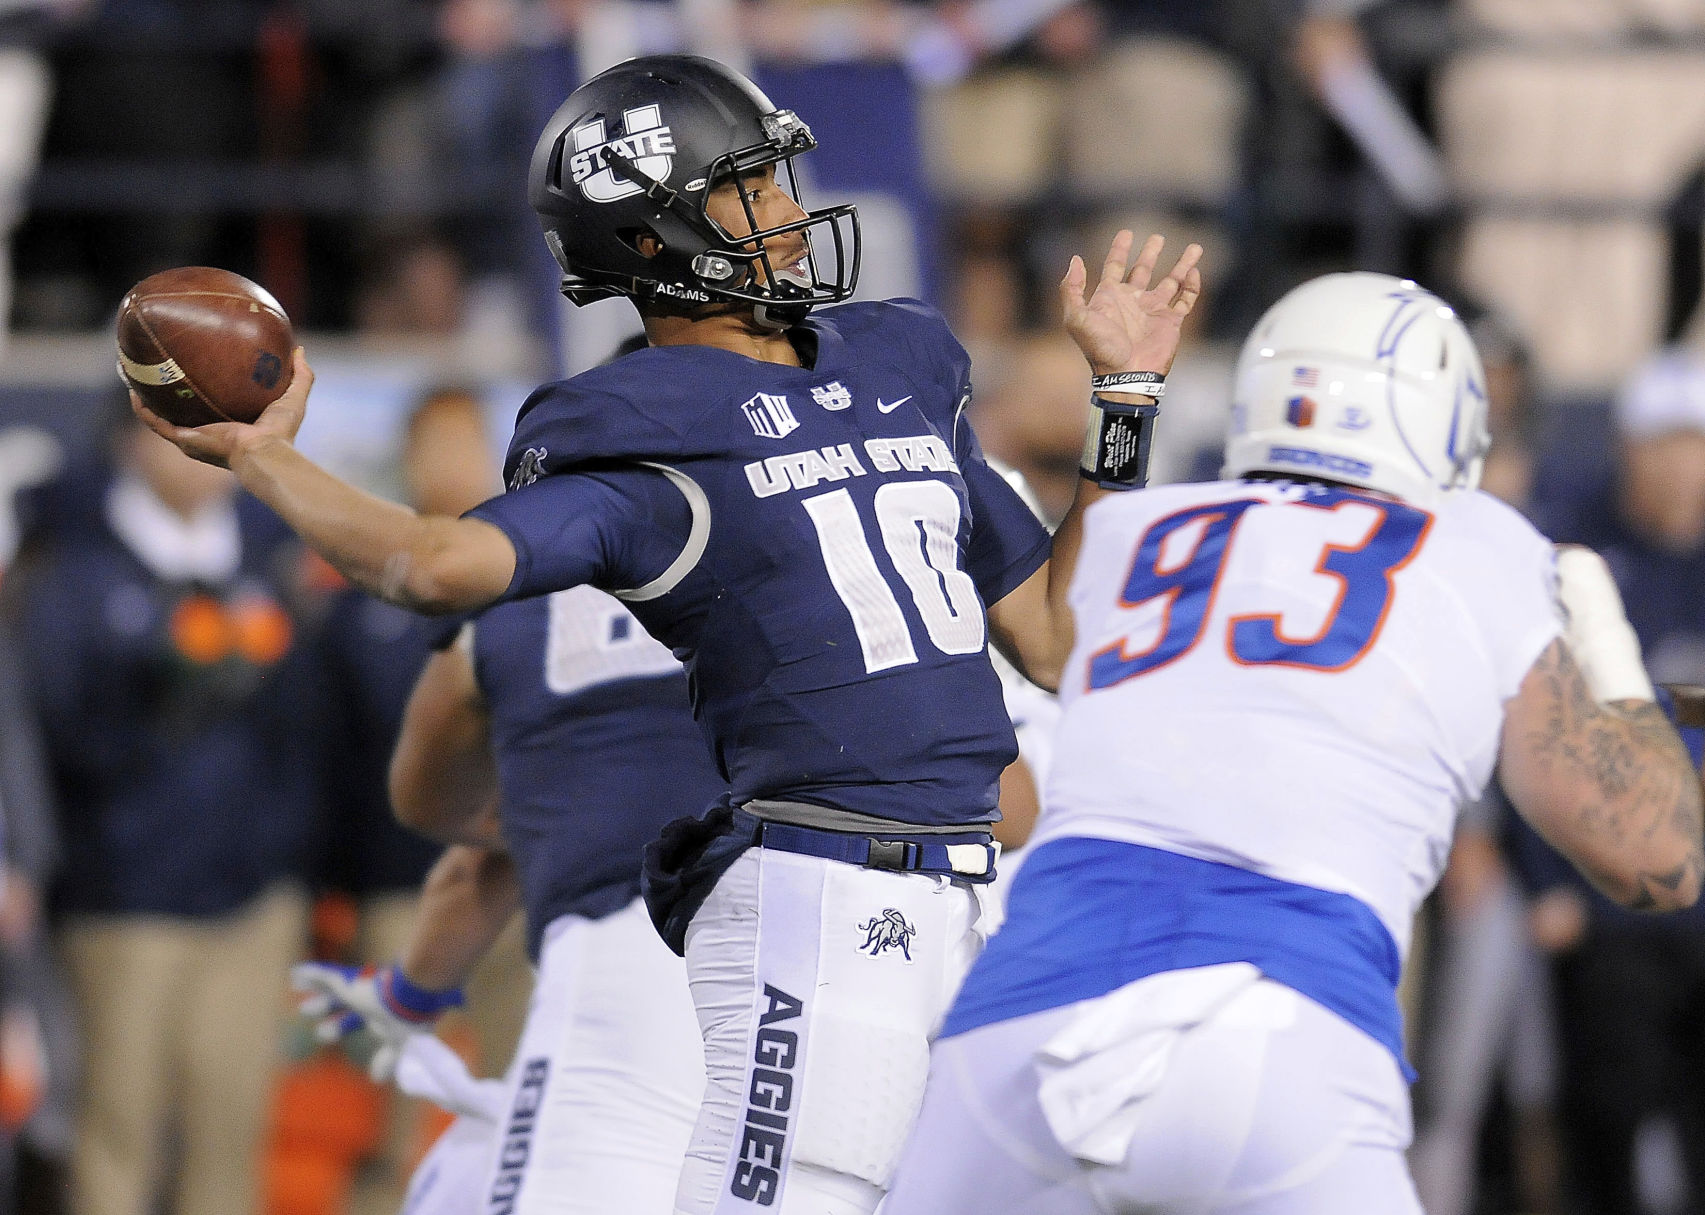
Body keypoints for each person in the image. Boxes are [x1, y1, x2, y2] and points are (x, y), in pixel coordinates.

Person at [132, 52, 1199, 1215]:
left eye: (780, 178)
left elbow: (1055, 636)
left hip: (963, 902)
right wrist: (265, 456)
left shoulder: (897, 363)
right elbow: (436, 568)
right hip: (820, 898)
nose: (791, 213)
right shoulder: (637, 436)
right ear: (650, 240)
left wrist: (1123, 409)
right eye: (751, 189)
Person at [879, 272, 1705, 1215]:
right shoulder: (1480, 542)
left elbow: (1057, 644)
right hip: (1279, 1029)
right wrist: (1614, 670)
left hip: (1019, 1028)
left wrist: (1125, 399)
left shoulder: (1141, 529)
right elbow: (1658, 857)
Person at [299, 582, 728, 1215]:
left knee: (476, 1181)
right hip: (823, 963)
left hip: (625, 967)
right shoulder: (787, 565)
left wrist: (401, 1000)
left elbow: (440, 817)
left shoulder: (523, 599)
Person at [8, 407, 321, 1215]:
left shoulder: (267, 554)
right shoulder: (72, 569)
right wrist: (158, 700)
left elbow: (310, 729)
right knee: (115, 1134)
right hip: (122, 906)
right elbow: (47, 732)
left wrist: (287, 853)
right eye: (170, 432)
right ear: (125, 440)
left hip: (251, 900)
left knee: (229, 1134)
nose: (193, 453)